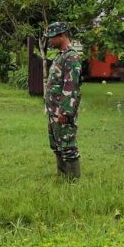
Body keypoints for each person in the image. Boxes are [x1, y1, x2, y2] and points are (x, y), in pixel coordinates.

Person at [45, 22, 82, 180]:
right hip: (53, 109)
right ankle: (62, 176)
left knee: (67, 145)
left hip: (62, 110)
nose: (49, 41)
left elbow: (71, 86)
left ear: (62, 36)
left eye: (52, 37)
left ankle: (73, 181)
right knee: (57, 144)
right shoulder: (61, 55)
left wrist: (65, 112)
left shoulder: (71, 57)